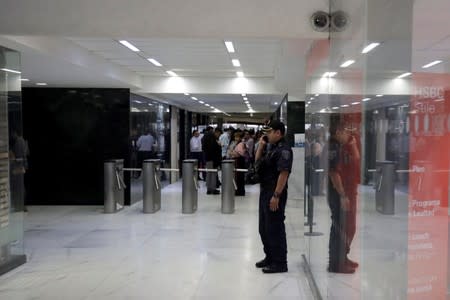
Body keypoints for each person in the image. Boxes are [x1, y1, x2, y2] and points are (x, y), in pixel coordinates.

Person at [254, 120, 293, 273]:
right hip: (265, 191)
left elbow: (284, 173)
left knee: (275, 227)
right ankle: (270, 256)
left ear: (278, 132)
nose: (266, 135)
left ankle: (280, 262)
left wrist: (276, 195)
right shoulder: (271, 148)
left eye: (269, 132)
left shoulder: (284, 150)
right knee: (263, 227)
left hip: (275, 192)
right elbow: (257, 163)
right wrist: (261, 146)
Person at [326, 121, 361, 274]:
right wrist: (342, 195)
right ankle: (336, 263)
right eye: (346, 131)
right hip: (339, 194)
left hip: (346, 192)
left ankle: (342, 257)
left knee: (348, 227)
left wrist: (352, 145)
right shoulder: (333, 147)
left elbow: (355, 160)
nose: (349, 134)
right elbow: (333, 173)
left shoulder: (341, 146)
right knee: (340, 228)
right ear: (339, 132)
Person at [202, 127, 222, 195]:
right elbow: (213, 149)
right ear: (217, 132)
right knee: (213, 174)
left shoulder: (207, 137)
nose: (219, 136)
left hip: (208, 158)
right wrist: (219, 146)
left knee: (209, 174)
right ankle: (212, 189)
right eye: (219, 134)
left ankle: (209, 189)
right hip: (212, 159)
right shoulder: (212, 138)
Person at [230, 131, 247, 196]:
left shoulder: (240, 144)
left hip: (239, 162)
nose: (235, 138)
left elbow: (240, 154)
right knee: (239, 177)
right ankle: (239, 190)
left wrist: (232, 153)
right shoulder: (241, 143)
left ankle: (239, 191)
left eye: (237, 137)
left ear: (240, 137)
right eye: (235, 137)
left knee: (238, 177)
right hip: (239, 161)